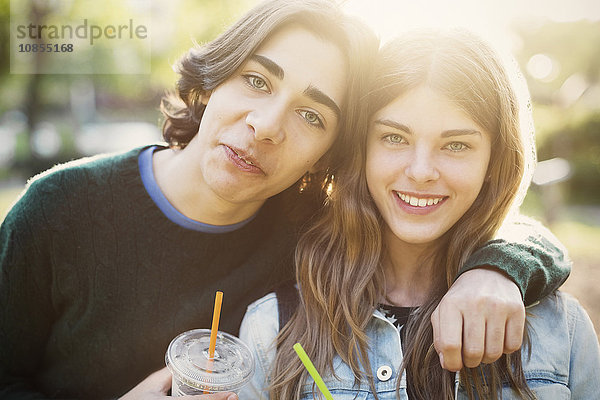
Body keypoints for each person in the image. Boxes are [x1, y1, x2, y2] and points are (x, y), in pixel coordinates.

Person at [0, 0, 569, 398]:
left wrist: (496, 270)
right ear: (214, 76)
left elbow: (485, 214)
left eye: (311, 115)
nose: (268, 126)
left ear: (329, 153)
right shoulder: (58, 208)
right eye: (256, 80)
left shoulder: (312, 232)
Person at [239, 29, 599, 399]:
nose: (421, 171)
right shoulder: (271, 327)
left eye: (456, 145)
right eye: (394, 138)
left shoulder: (561, 330)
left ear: (494, 161)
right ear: (360, 148)